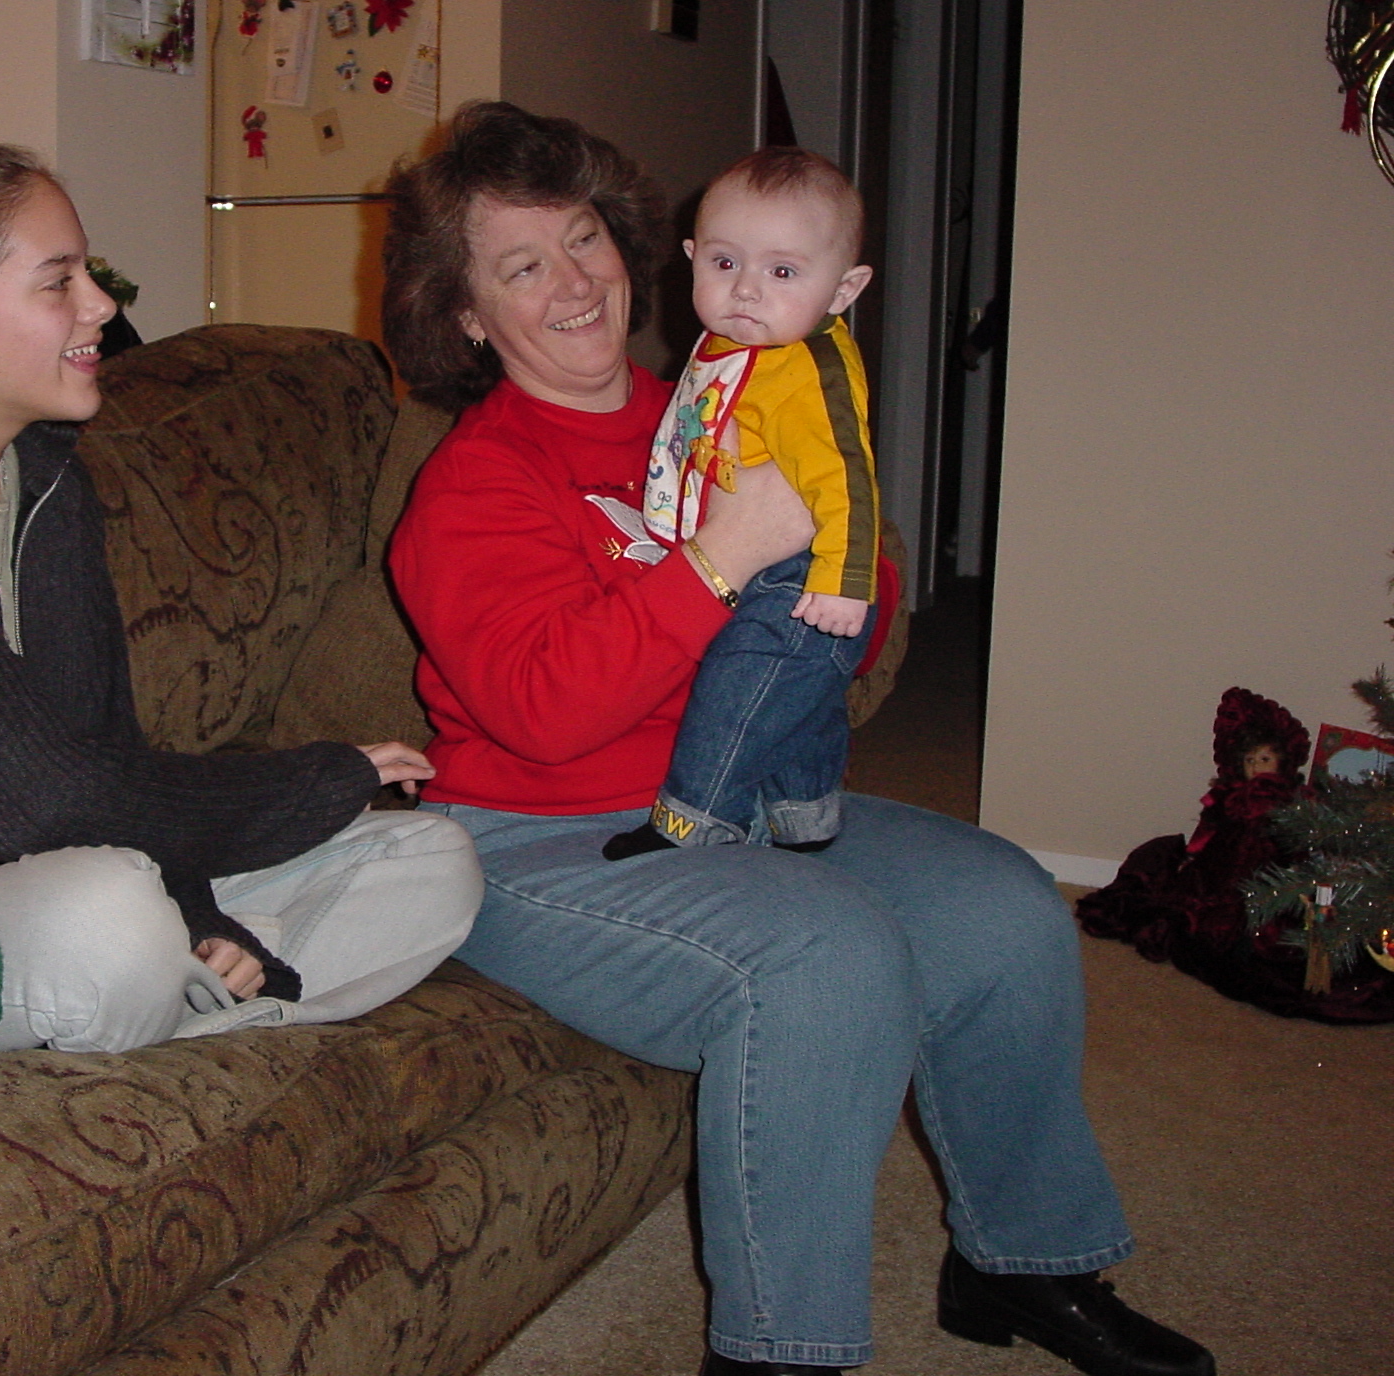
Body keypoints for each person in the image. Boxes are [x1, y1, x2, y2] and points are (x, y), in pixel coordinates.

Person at [381, 101, 1212, 1376]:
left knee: (1003, 906)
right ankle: (779, 1351)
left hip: (733, 798)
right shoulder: (473, 484)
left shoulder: (723, 397)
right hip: (539, 840)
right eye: (521, 266)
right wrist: (719, 556)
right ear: (465, 317)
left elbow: (850, 619)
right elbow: (543, 713)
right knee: (826, 959)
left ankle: (1016, 1264)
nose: (575, 282)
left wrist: (841, 578)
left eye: (584, 238)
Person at [0, 140, 481, 1055]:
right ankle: (170, 987)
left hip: (60, 878)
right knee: (109, 912)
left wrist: (198, 916)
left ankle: (198, 993)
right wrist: (310, 782)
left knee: (429, 858)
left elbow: (109, 758)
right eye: (58, 281)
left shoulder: (47, 481)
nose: (102, 305)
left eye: (87, 271)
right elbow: (35, 802)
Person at [605, 147, 882, 862]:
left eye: (783, 272)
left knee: (740, 694)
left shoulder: (808, 372)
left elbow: (849, 482)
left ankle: (694, 821)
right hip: (762, 564)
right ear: (691, 259)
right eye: (725, 263)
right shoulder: (731, 342)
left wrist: (844, 580)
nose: (747, 290)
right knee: (802, 706)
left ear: (843, 289)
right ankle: (804, 819)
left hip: (804, 574)